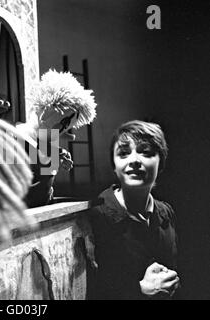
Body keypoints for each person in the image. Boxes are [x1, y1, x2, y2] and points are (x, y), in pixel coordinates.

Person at [88, 120, 180, 299]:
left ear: (160, 163)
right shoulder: (96, 217)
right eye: (123, 153)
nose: (134, 160)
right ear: (114, 166)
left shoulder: (166, 212)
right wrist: (140, 290)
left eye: (146, 152)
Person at [17, 69, 97, 208]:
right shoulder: (17, 142)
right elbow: (35, 197)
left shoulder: (41, 140)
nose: (61, 133)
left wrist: (56, 153)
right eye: (63, 126)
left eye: (65, 128)